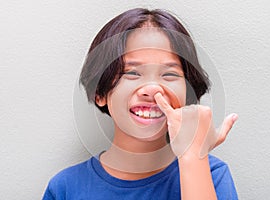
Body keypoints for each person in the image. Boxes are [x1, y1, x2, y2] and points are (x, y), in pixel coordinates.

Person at [43, 8, 239, 200]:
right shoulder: (65, 188)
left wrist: (194, 157)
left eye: (169, 74)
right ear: (100, 92)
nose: (153, 89)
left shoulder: (212, 174)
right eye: (132, 73)